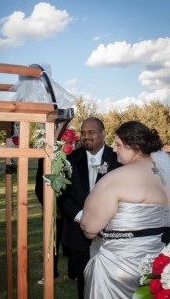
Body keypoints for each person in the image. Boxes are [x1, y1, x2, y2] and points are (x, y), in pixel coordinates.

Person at [80, 120, 170, 299]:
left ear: (134, 146)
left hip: (118, 269)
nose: (114, 149)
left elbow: (88, 228)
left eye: (118, 144)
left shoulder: (116, 178)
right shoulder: (165, 177)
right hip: (156, 267)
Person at [60, 117, 119, 299]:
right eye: (83, 133)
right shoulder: (69, 160)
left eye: (91, 132)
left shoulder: (118, 158)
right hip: (77, 233)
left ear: (103, 133)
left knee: (110, 281)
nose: (86, 137)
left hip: (111, 234)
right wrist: (81, 217)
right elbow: (62, 195)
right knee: (84, 282)